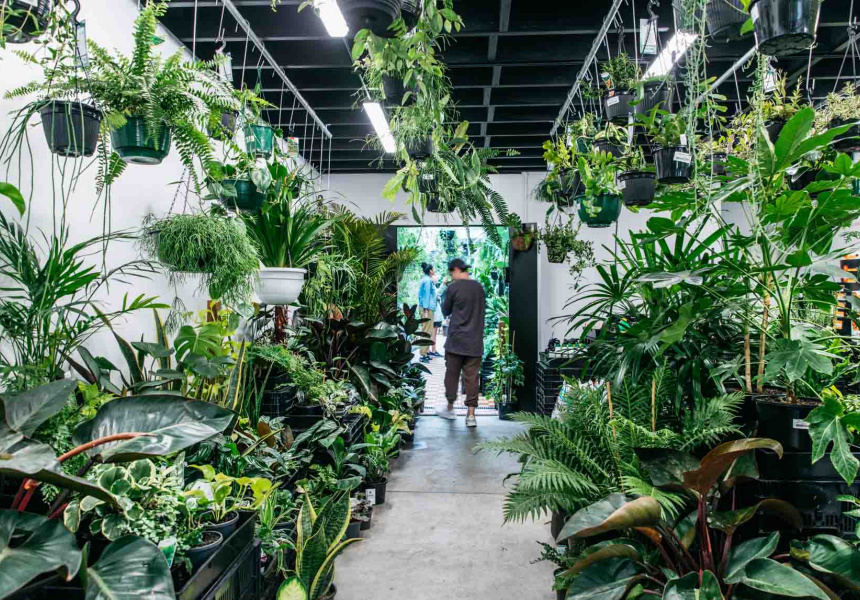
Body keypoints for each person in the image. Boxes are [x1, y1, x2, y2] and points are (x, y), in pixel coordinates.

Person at [439, 258, 486, 427]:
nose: (451, 276)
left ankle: (450, 409)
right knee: (472, 378)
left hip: (456, 341)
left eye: (451, 272)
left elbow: (445, 311)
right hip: (475, 342)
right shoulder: (479, 288)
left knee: (451, 375)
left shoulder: (453, 287)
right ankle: (471, 416)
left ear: (456, 269)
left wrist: (445, 291)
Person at [417, 263, 437, 363]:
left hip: (427, 308)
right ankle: (423, 354)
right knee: (426, 331)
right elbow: (426, 296)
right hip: (427, 309)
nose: (434, 270)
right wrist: (425, 310)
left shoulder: (426, 279)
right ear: (430, 271)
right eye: (433, 269)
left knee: (428, 331)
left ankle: (425, 352)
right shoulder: (428, 280)